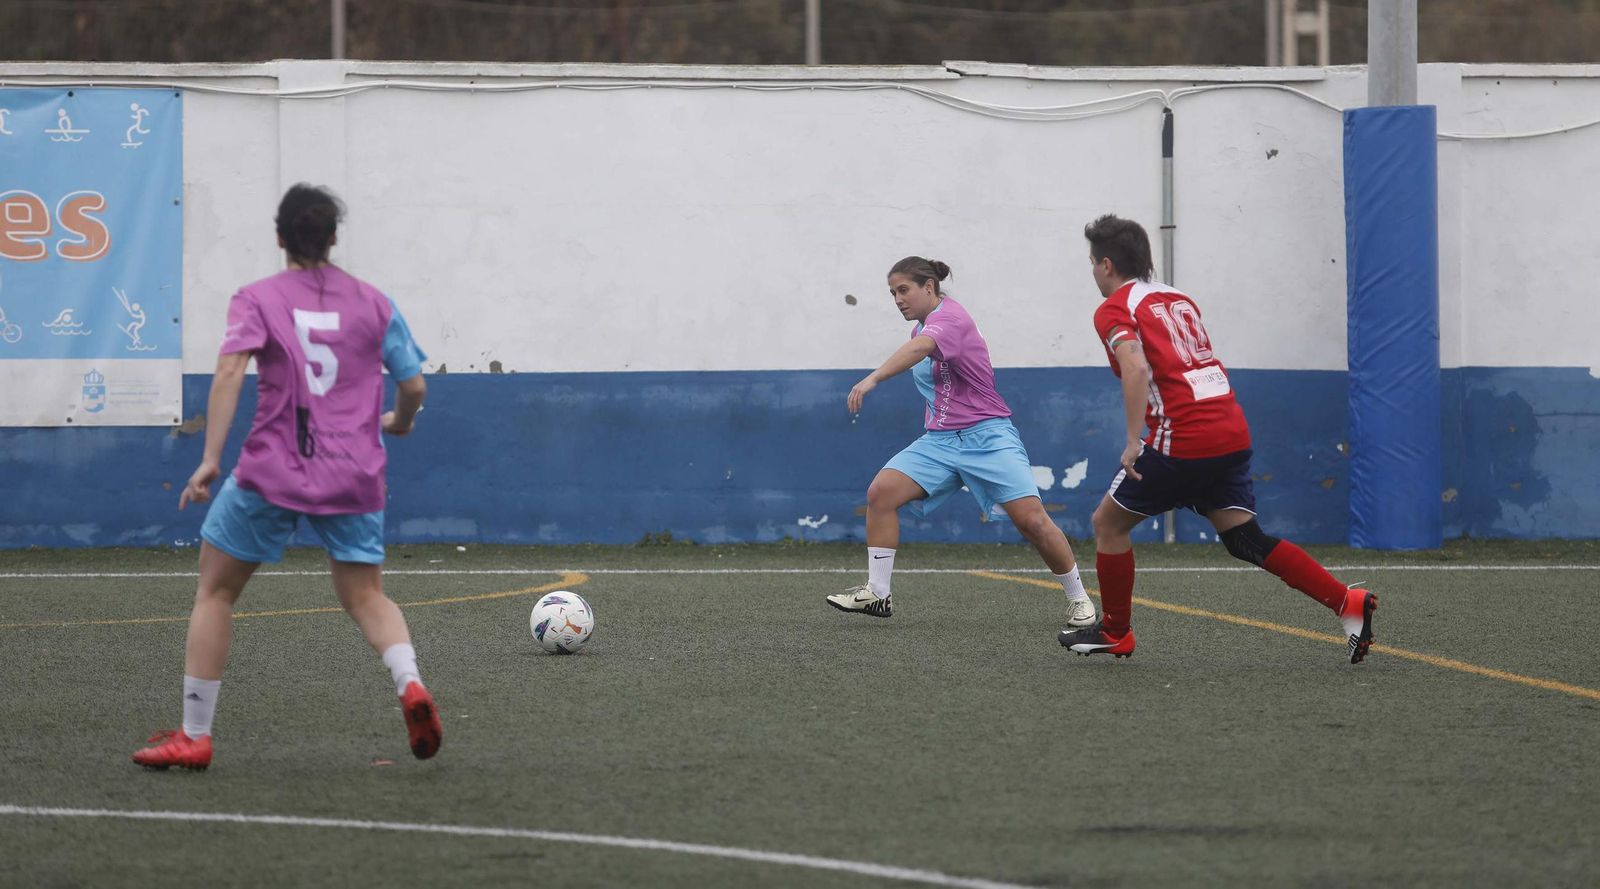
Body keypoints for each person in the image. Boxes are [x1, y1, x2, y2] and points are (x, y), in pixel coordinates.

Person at [132, 184, 441, 770]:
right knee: (366, 595)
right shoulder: (374, 302)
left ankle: (195, 735)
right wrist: (398, 422)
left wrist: (210, 459)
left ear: (280, 238)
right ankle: (409, 683)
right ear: (332, 238)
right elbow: (416, 385)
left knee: (217, 591)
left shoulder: (257, 298)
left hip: (273, 469)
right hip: (353, 470)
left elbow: (229, 372)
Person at [1059, 214, 1377, 663]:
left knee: (1107, 525)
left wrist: (1133, 439)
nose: (1092, 271)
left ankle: (1115, 631)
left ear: (1107, 264)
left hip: (1184, 436)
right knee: (1244, 538)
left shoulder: (1114, 308)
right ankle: (1348, 602)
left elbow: (1136, 367)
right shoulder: (1177, 297)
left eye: (1092, 262)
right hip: (1229, 428)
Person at [827, 256, 1096, 627]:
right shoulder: (921, 329)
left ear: (929, 287)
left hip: (987, 435)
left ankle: (1079, 598)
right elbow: (922, 352)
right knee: (881, 493)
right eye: (892, 293)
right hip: (940, 441)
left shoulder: (950, 319)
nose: (897, 299)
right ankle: (878, 593)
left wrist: (871, 379)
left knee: (1032, 522)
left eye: (903, 290)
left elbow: (920, 349)